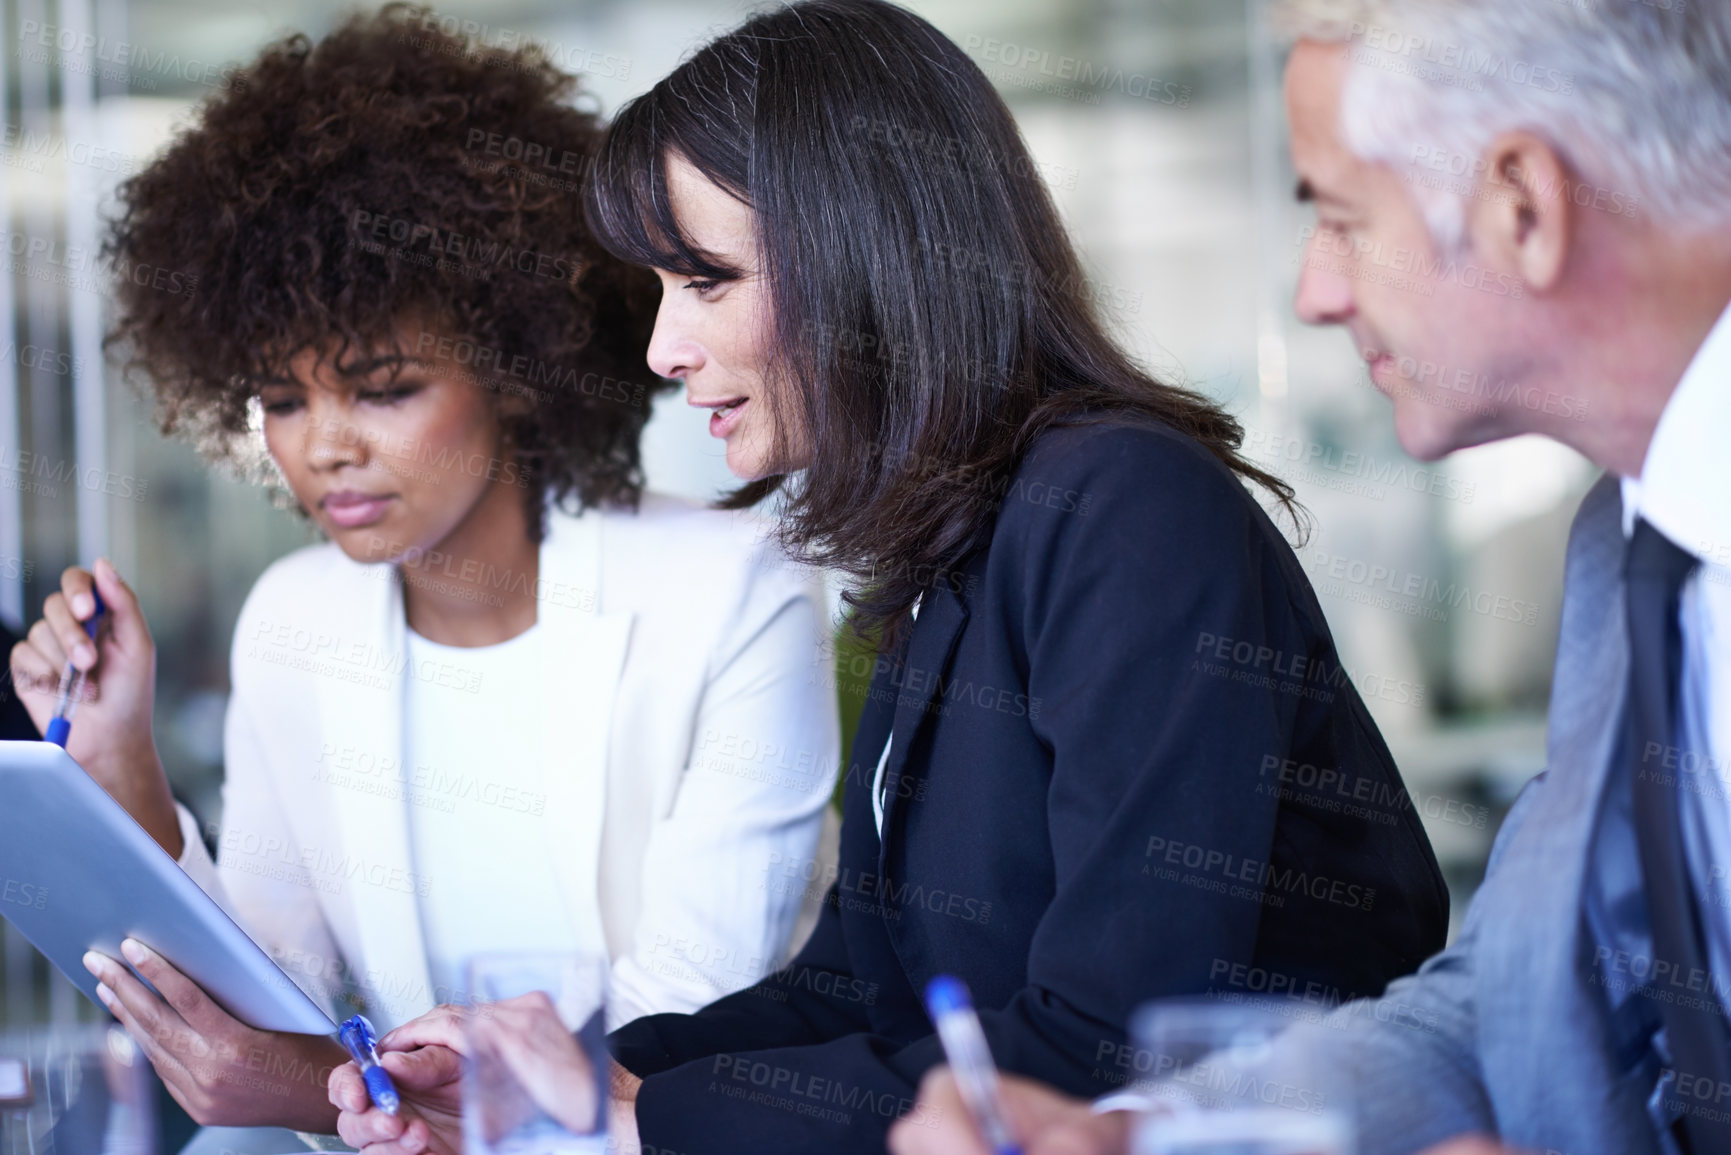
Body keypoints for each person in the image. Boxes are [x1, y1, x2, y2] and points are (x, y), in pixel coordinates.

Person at [329, 2, 1452, 1152]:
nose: (663, 349)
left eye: (704, 281)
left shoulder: (1124, 508)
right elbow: (857, 991)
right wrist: (561, 1073)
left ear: (866, 262)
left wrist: (631, 1119)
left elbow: (1110, 1040)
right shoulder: (949, 548)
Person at [891, 1, 1731, 1153]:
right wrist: (1141, 1135)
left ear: (1524, 206)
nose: (1316, 295)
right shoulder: (1631, 552)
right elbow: (1504, 1011)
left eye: (1343, 218)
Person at [6, 5, 839, 1142]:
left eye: (383, 386)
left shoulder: (735, 592)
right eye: (284, 401)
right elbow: (265, 994)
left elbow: (680, 1032)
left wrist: (306, 1086)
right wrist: (123, 771)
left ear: (514, 364)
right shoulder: (294, 616)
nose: (324, 447)